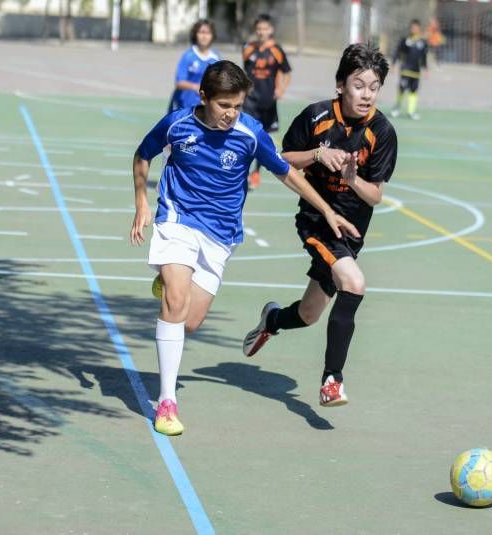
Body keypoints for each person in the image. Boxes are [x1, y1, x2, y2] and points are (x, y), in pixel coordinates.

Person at [131, 60, 358, 436]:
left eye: (237, 105)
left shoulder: (250, 133)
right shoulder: (177, 124)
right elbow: (143, 155)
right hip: (177, 219)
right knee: (175, 300)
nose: (231, 114)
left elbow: (287, 173)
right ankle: (167, 400)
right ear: (204, 97)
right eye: (224, 105)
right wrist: (141, 200)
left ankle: (173, 286)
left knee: (190, 321)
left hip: (220, 235)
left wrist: (327, 210)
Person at [242, 43, 397, 408]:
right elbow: (280, 160)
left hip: (351, 231)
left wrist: (352, 178)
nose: (366, 94)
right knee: (354, 284)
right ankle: (332, 381)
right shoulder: (316, 117)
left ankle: (273, 320)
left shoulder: (382, 132)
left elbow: (375, 195)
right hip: (317, 220)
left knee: (310, 314)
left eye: (373, 87)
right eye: (359, 85)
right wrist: (317, 154)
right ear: (341, 84)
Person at [242, 13, 292, 189]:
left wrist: (281, 89)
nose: (261, 32)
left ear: (270, 30)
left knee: (262, 137)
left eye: (265, 29)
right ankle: (243, 171)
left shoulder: (276, 50)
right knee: (246, 134)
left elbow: (287, 72)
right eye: (259, 29)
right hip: (249, 100)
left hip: (267, 100)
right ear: (255, 30)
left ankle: (256, 172)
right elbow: (243, 72)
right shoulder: (248, 48)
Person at [167, 19, 219, 114]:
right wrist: (196, 87)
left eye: (208, 33)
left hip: (204, 107)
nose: (204, 36)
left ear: (212, 36)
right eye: (201, 32)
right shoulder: (188, 56)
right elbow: (179, 82)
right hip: (184, 106)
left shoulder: (215, 58)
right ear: (195, 34)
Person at [390, 19, 427, 120]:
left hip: (416, 72)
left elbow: (424, 57)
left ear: (419, 28)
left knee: (413, 91)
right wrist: (393, 64)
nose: (414, 29)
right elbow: (397, 52)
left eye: (416, 27)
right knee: (401, 89)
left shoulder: (422, 42)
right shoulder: (405, 40)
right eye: (412, 27)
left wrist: (425, 69)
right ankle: (397, 107)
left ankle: (411, 112)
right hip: (405, 70)